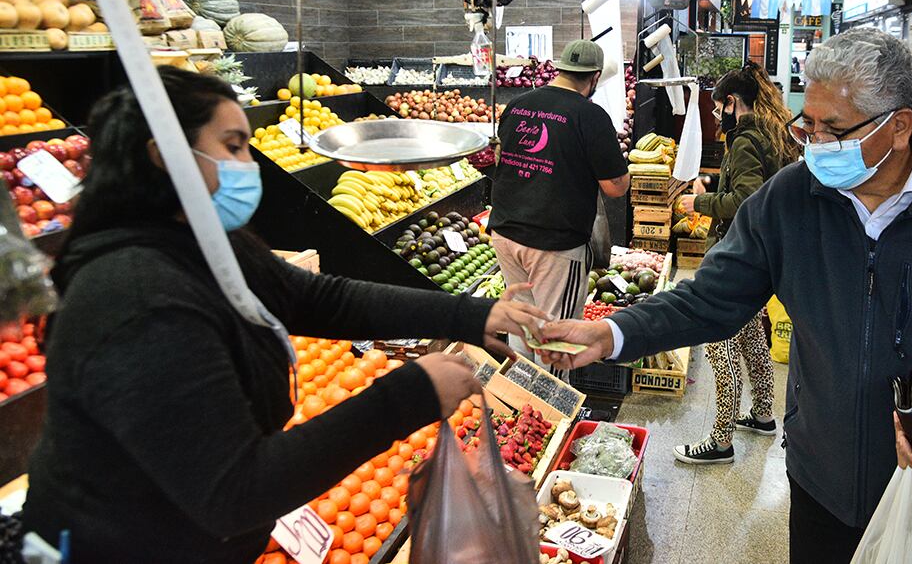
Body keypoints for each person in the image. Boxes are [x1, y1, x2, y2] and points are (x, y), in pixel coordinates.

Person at [535, 29, 912, 563]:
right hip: (821, 483)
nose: (816, 143)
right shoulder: (793, 197)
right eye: (808, 125)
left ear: (900, 126)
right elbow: (712, 296)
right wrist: (613, 332)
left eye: (834, 129)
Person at [22, 69, 548, 563]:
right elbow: (236, 491)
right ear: (165, 159)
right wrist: (410, 394)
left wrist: (471, 316)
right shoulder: (136, 295)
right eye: (232, 146)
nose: (248, 164)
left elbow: (323, 299)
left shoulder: (204, 246)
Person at [672, 62, 799, 464]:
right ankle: (763, 414)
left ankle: (720, 440)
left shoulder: (745, 140)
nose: (717, 115)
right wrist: (715, 183)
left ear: (732, 102)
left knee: (719, 342)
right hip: (763, 256)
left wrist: (700, 201)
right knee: (751, 337)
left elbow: (747, 200)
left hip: (736, 254)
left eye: (718, 107)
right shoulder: (774, 134)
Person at [487, 39, 630, 363]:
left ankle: (520, 404)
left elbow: (501, 157)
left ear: (562, 69)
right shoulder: (590, 116)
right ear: (594, 77)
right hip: (553, 243)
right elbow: (615, 187)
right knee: (557, 338)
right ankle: (551, 412)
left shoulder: (518, 104)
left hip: (505, 232)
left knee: (521, 327)